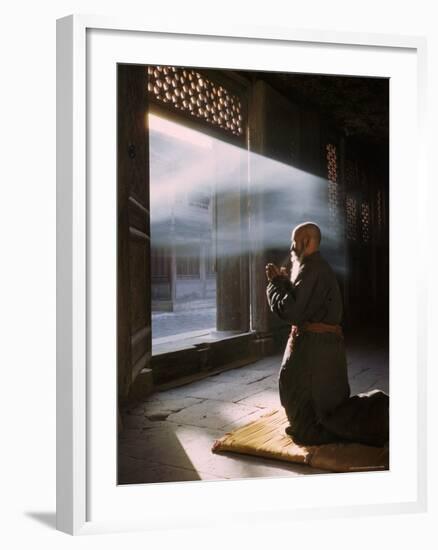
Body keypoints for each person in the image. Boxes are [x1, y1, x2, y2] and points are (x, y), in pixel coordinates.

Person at [265, 222, 389, 447]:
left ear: (304, 242)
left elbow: (293, 311)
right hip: (321, 350)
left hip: (316, 353)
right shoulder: (313, 268)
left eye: (294, 243)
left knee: (311, 429)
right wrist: (283, 282)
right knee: (321, 407)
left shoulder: (313, 269)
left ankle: (382, 415)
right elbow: (302, 300)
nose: (291, 249)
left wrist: (274, 285)